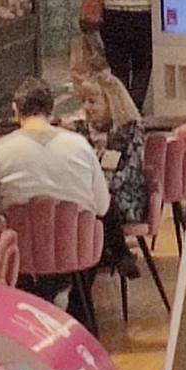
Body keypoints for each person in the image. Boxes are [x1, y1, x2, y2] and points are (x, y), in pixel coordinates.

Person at [0, 78, 109, 327]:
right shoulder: (80, 146)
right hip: (75, 251)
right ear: (52, 110)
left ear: (15, 110)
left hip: (23, 256)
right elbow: (101, 206)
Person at [76, 71, 146, 279]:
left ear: (111, 102)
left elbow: (131, 171)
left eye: (92, 101)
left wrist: (102, 187)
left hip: (124, 194)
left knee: (101, 204)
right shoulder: (79, 131)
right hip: (87, 195)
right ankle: (116, 253)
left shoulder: (131, 129)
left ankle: (99, 259)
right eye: (83, 101)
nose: (86, 107)